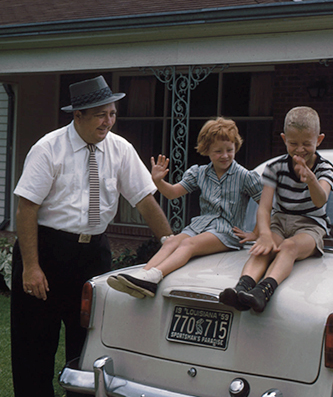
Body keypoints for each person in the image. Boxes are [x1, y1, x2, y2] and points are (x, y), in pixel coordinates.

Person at [11, 76, 172, 397]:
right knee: (34, 344)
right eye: (100, 115)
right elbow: (26, 208)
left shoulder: (119, 149)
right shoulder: (48, 148)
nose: (108, 122)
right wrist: (32, 267)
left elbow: (146, 200)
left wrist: (170, 242)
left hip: (92, 255)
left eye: (112, 114)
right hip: (45, 251)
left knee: (87, 347)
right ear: (78, 115)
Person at [107, 117, 262, 298]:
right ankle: (141, 277)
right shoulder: (199, 173)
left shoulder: (245, 176)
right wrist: (158, 181)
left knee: (188, 244)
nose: (225, 155)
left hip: (226, 232)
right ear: (207, 151)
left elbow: (265, 205)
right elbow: (172, 193)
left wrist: (256, 233)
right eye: (218, 151)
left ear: (236, 147)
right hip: (200, 227)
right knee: (171, 241)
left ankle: (154, 276)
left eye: (230, 150)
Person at [220, 106, 333, 313]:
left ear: (318, 140)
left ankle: (263, 291)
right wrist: (264, 234)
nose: (300, 149)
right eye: (293, 143)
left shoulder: (324, 168)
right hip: (280, 222)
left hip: (310, 226)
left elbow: (321, 200)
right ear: (284, 139)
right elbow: (265, 208)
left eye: (306, 144)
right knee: (264, 248)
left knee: (288, 247)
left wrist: (311, 180)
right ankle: (242, 289)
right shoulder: (275, 168)